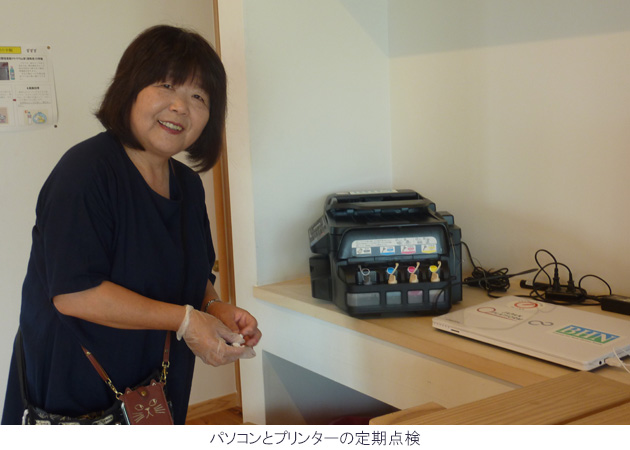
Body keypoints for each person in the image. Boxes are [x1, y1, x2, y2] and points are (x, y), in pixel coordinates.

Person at [1, 25, 261, 425]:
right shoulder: (86, 172)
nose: (180, 106)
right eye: (166, 85)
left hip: (155, 382)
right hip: (77, 386)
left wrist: (214, 307)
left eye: (198, 96)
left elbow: (193, 273)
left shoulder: (188, 185)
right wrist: (187, 321)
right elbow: (75, 294)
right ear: (130, 89)